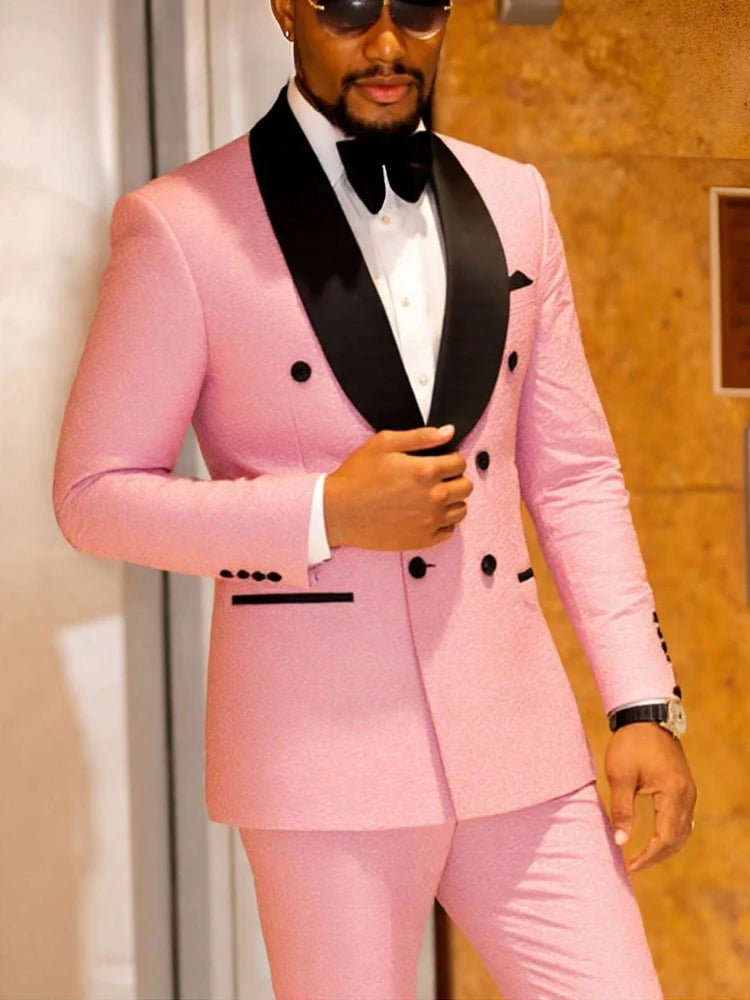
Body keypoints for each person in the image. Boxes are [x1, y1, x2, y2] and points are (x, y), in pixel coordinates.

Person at [52, 0, 698, 996]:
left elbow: (573, 472)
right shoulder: (180, 223)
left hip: (518, 736)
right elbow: (93, 494)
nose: (388, 44)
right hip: (321, 754)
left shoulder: (515, 197)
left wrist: (641, 701)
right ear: (287, 7)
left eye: (419, 10)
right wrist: (324, 512)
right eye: (350, 8)